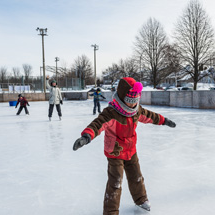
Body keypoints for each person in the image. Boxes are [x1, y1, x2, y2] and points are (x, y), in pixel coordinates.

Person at [73, 77, 176, 214]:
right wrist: (86, 136)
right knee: (115, 183)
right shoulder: (111, 113)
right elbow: (98, 124)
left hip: (131, 150)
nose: (132, 104)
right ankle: (111, 211)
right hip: (115, 152)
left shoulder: (136, 111)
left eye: (135, 101)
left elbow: (150, 116)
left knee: (136, 177)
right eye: (129, 101)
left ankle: (141, 200)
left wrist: (164, 121)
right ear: (121, 98)